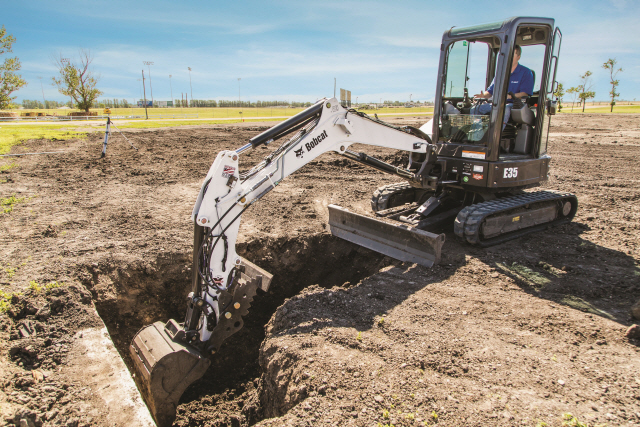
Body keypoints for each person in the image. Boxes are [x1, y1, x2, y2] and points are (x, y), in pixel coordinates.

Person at [471, 45, 534, 128]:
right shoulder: (500, 73)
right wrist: (483, 96)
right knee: (475, 109)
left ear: (518, 57)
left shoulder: (525, 72)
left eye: (512, 55)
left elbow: (525, 94)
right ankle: (476, 135)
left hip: (513, 104)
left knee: (504, 109)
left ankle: (495, 137)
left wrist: (510, 96)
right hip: (497, 103)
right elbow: (490, 92)